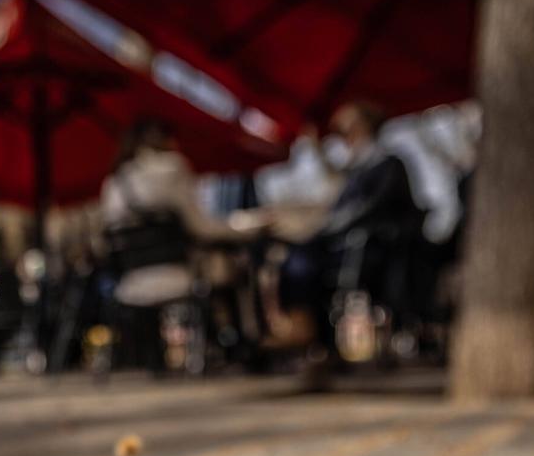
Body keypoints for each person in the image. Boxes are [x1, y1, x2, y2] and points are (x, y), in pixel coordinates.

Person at [100, 120, 260, 371]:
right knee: (238, 266)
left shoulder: (113, 183)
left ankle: (159, 355)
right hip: (177, 273)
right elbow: (201, 227)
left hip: (130, 280)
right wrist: (244, 228)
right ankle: (242, 346)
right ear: (165, 140)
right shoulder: (172, 168)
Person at [273, 102, 424, 354]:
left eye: (344, 129)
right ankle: (304, 329)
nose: (340, 135)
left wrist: (324, 230)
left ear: (363, 127)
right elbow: (337, 192)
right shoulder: (357, 168)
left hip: (370, 250)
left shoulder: (387, 164)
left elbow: (366, 210)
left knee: (303, 257)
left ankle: (307, 332)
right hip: (345, 245)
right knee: (295, 257)